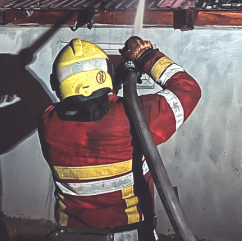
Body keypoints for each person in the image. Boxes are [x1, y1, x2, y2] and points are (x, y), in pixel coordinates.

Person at [38, 37, 201, 240]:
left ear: (57, 83)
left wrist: (113, 80)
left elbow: (88, 105)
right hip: (128, 234)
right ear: (104, 75)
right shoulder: (132, 116)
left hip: (70, 234)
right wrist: (146, 57)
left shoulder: (48, 122)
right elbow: (188, 90)